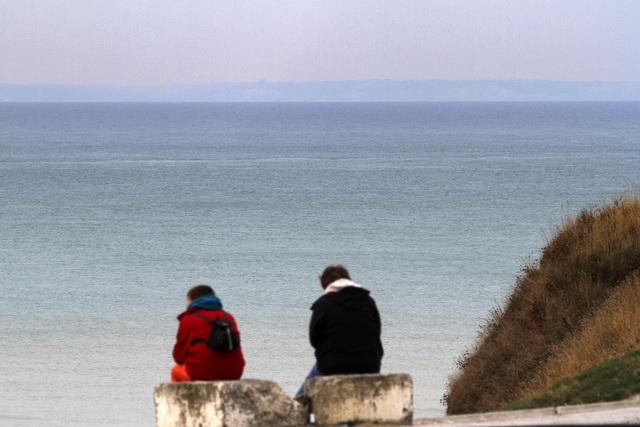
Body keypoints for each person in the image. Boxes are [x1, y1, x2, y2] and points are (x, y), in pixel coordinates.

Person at [296, 265, 383, 396]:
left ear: (325, 285)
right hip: (370, 366)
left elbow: (314, 340)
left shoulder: (323, 305)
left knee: (302, 396)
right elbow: (377, 331)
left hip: (333, 367)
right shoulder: (369, 301)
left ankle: (295, 409)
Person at [171, 285, 245, 382]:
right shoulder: (228, 317)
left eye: (188, 301)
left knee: (175, 370)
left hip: (203, 373)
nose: (186, 306)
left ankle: (185, 397)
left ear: (193, 301)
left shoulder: (189, 319)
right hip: (234, 372)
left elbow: (178, 356)